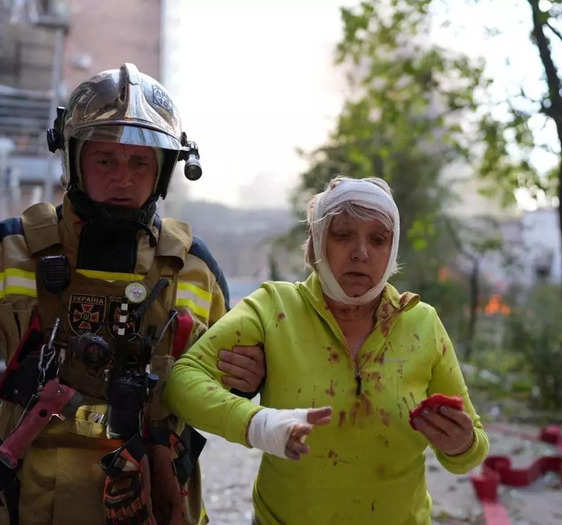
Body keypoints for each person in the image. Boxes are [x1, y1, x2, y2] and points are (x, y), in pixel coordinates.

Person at [0, 63, 266, 525]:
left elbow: (226, 384)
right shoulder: (8, 254)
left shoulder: (195, 271)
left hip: (155, 500)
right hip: (18, 502)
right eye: (106, 160)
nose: (123, 177)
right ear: (73, 160)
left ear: (164, 171)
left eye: (140, 162)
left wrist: (249, 379)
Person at [164, 176, 489, 524]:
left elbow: (473, 451)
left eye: (378, 239)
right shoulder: (273, 308)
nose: (361, 252)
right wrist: (259, 423)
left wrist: (461, 443)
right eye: (343, 235)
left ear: (392, 250)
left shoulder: (422, 323)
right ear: (317, 243)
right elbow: (183, 380)